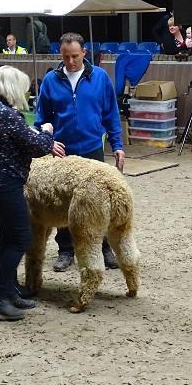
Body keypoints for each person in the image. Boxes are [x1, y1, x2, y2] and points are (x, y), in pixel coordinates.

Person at [0, 65, 58, 320]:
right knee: (21, 237)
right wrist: (47, 132)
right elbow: (37, 146)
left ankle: (9, 291)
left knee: (9, 236)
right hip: (3, 183)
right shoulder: (7, 116)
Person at [35, 32, 124, 272]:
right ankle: (65, 250)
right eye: (66, 57)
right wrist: (48, 143)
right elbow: (41, 119)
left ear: (84, 53)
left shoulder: (101, 78)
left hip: (93, 149)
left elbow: (111, 115)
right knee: (63, 204)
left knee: (98, 203)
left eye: (75, 56)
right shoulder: (51, 81)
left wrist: (117, 145)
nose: (71, 61)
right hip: (63, 154)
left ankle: (104, 247)